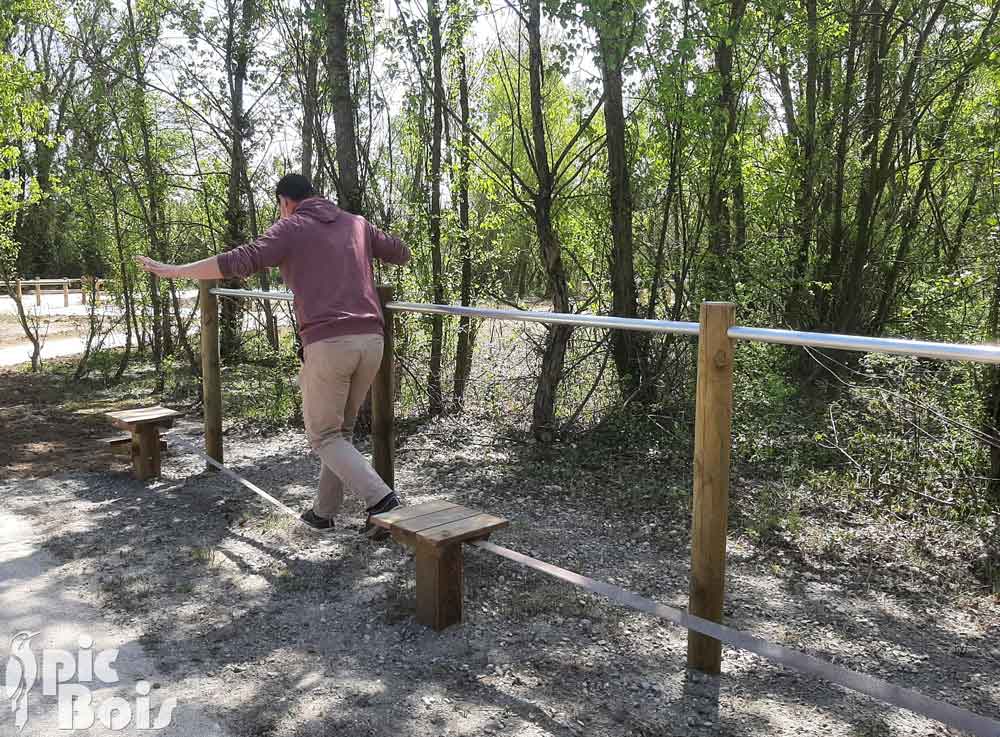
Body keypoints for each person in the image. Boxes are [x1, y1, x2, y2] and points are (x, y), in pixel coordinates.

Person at [135, 173, 409, 538]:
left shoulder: (292, 227)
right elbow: (401, 253)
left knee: (324, 437)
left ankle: (381, 502)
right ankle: (322, 514)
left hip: (329, 345)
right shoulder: (357, 224)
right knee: (338, 432)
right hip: (372, 340)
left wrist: (174, 271)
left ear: (285, 201)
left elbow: (238, 260)